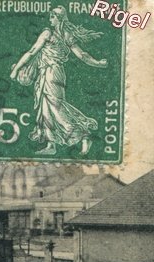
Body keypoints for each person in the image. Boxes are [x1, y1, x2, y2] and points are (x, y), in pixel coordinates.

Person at [10, 7, 107, 156]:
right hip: (54, 73)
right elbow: (82, 55)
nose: (50, 19)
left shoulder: (47, 33)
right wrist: (98, 63)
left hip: (50, 72)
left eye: (52, 16)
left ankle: (83, 135)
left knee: (55, 108)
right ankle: (51, 144)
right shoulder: (67, 35)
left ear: (58, 18)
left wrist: (16, 69)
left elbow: (32, 52)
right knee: (46, 108)